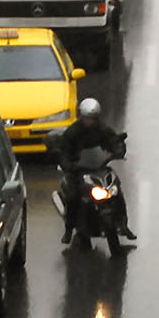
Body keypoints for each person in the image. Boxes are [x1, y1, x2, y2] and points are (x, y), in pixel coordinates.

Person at [51, 98, 133, 245]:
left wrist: (118, 150)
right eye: (87, 118)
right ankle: (69, 229)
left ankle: (123, 224)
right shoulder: (73, 132)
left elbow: (113, 140)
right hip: (78, 170)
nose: (90, 122)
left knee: (116, 189)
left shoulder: (102, 130)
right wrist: (67, 163)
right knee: (73, 196)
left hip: (99, 168)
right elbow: (63, 149)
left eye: (93, 119)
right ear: (81, 117)